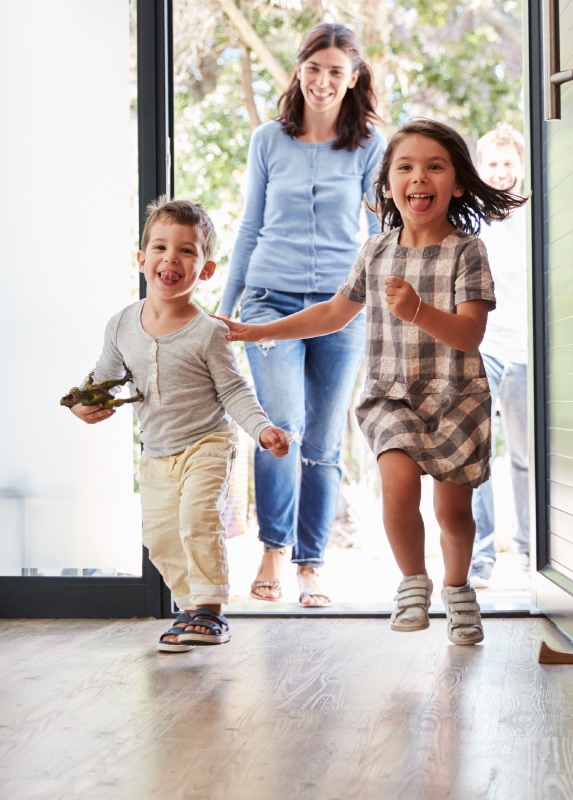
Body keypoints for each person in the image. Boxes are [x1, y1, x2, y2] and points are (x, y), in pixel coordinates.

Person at [215, 118, 526, 645]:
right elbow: (334, 313)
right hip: (392, 396)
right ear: (387, 185)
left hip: (457, 397)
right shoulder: (376, 252)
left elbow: (470, 335)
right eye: (404, 167)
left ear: (457, 183)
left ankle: (458, 589)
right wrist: (257, 329)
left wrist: (419, 310)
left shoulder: (467, 251)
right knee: (398, 487)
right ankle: (412, 582)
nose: (418, 177)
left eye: (434, 166)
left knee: (453, 512)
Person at [70, 196, 289, 653]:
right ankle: (190, 608)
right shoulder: (120, 324)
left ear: (206, 270)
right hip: (155, 451)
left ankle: (210, 611)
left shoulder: (209, 331)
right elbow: (104, 378)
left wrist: (262, 429)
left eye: (187, 251)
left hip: (206, 441)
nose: (171, 258)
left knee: (197, 519)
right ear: (142, 260)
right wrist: (82, 403)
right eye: (161, 248)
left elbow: (234, 391)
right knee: (161, 536)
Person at [218, 22, 386, 607]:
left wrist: (384, 305)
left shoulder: (369, 146)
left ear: (353, 77)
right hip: (268, 300)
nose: (322, 81)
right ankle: (272, 548)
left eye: (335, 71)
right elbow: (248, 226)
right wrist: (223, 311)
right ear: (299, 70)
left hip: (342, 308)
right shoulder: (269, 139)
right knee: (280, 427)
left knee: (322, 439)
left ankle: (310, 563)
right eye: (313, 68)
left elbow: (379, 235)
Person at [467, 125, 532, 587]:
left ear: (522, 166)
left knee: (527, 456)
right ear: (480, 167)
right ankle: (482, 556)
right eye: (492, 163)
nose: (501, 171)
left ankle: (532, 551)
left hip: (528, 349)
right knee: (478, 455)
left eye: (509, 162)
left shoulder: (536, 216)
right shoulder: (471, 222)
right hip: (483, 347)